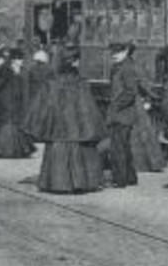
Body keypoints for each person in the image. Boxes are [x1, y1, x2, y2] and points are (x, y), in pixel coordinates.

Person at [23, 46, 106, 193]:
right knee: (79, 150)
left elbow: (43, 105)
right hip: (77, 127)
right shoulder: (80, 83)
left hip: (58, 126)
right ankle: (80, 182)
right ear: (74, 62)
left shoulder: (52, 83)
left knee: (58, 149)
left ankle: (57, 182)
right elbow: (88, 107)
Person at [0, 47, 36, 158]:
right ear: (13, 60)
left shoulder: (19, 70)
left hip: (14, 101)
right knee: (7, 123)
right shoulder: (6, 70)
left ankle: (14, 148)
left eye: (21, 59)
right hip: (6, 101)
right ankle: (3, 148)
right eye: (19, 59)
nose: (21, 62)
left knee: (14, 123)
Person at [104, 42, 140, 187]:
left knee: (118, 148)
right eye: (112, 52)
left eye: (117, 52)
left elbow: (131, 91)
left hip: (123, 114)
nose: (114, 55)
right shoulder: (117, 67)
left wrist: (116, 105)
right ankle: (130, 177)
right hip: (121, 113)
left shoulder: (127, 68)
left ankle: (120, 180)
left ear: (125, 51)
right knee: (123, 147)